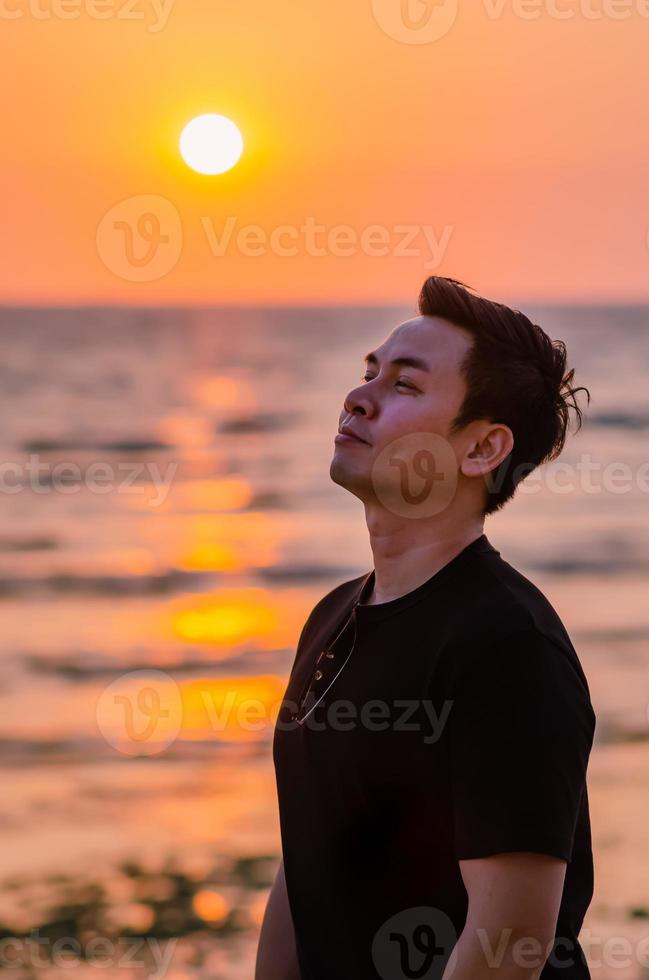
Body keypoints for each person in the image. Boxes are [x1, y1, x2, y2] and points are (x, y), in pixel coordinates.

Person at [255, 276, 596, 980]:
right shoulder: (331, 616)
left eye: (405, 387)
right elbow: (306, 860)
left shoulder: (507, 648)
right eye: (368, 373)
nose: (359, 396)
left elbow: (508, 946)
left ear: (480, 450)